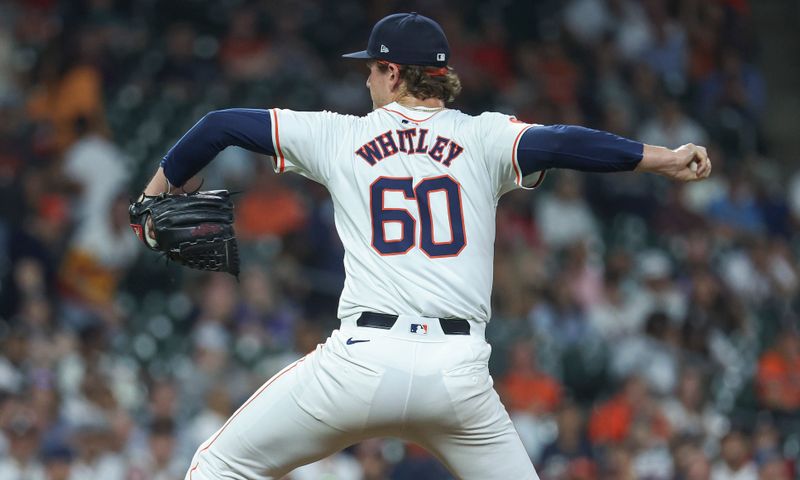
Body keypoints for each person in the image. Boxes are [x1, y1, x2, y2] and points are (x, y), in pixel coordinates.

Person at [133, 12, 711, 480]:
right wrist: (660, 158)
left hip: (361, 361)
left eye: (370, 69)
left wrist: (152, 198)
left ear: (391, 71)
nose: (365, 79)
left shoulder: (341, 134)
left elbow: (218, 125)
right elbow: (566, 142)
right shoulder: (485, 135)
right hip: (458, 375)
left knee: (219, 468)